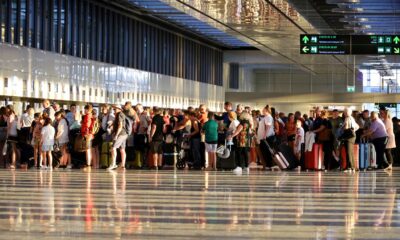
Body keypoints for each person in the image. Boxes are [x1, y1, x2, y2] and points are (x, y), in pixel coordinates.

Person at [107, 105, 129, 170]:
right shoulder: (121, 114)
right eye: (114, 109)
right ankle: (123, 165)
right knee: (122, 149)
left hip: (121, 134)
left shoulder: (119, 114)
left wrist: (116, 135)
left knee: (113, 148)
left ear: (119, 109)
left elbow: (120, 126)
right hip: (124, 134)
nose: (114, 110)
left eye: (115, 109)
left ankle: (113, 164)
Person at [256, 106, 274, 170]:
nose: (262, 111)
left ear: (267, 111)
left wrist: (265, 135)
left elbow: (268, 126)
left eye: (263, 110)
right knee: (264, 151)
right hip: (264, 137)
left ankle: (268, 165)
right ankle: (267, 165)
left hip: (267, 137)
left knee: (266, 151)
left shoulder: (268, 117)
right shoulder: (266, 117)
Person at [341, 107, 359, 172]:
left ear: (346, 112)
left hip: (348, 137)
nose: (344, 113)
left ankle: (349, 167)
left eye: (345, 112)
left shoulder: (347, 118)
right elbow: (357, 126)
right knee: (350, 152)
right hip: (353, 136)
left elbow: (346, 127)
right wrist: (353, 130)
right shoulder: (352, 118)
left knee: (348, 152)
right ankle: (351, 167)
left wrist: (343, 128)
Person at [6, 105, 20, 169]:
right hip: (16, 134)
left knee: (13, 149)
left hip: (11, 134)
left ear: (9, 109)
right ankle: (16, 162)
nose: (6, 110)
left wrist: (7, 135)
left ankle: (13, 163)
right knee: (15, 149)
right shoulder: (15, 116)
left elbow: (9, 126)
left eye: (7, 109)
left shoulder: (10, 116)